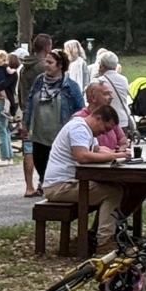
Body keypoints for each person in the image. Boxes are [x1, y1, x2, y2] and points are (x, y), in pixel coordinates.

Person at [41, 104, 128, 252]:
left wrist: (120, 152)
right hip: (59, 186)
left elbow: (98, 149)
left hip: (69, 182)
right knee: (113, 192)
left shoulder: (87, 130)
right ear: (98, 118)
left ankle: (100, 235)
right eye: (106, 128)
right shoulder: (79, 128)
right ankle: (104, 242)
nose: (104, 133)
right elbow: (82, 156)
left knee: (116, 186)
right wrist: (116, 156)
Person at [24, 49, 85, 195]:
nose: (46, 65)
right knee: (39, 160)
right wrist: (25, 123)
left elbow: (80, 110)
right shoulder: (39, 81)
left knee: (55, 161)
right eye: (45, 61)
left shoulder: (70, 86)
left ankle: (51, 187)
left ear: (60, 65)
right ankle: (44, 182)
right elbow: (30, 102)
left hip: (59, 132)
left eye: (50, 62)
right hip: (39, 130)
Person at [17, 34, 54, 196]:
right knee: (44, 149)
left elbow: (20, 91)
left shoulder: (24, 66)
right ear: (47, 48)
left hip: (27, 111)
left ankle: (28, 186)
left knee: (28, 150)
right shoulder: (43, 67)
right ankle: (43, 182)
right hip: (43, 114)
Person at [92, 50, 133, 133]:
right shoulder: (124, 79)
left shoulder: (99, 81)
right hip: (122, 119)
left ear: (102, 66)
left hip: (106, 120)